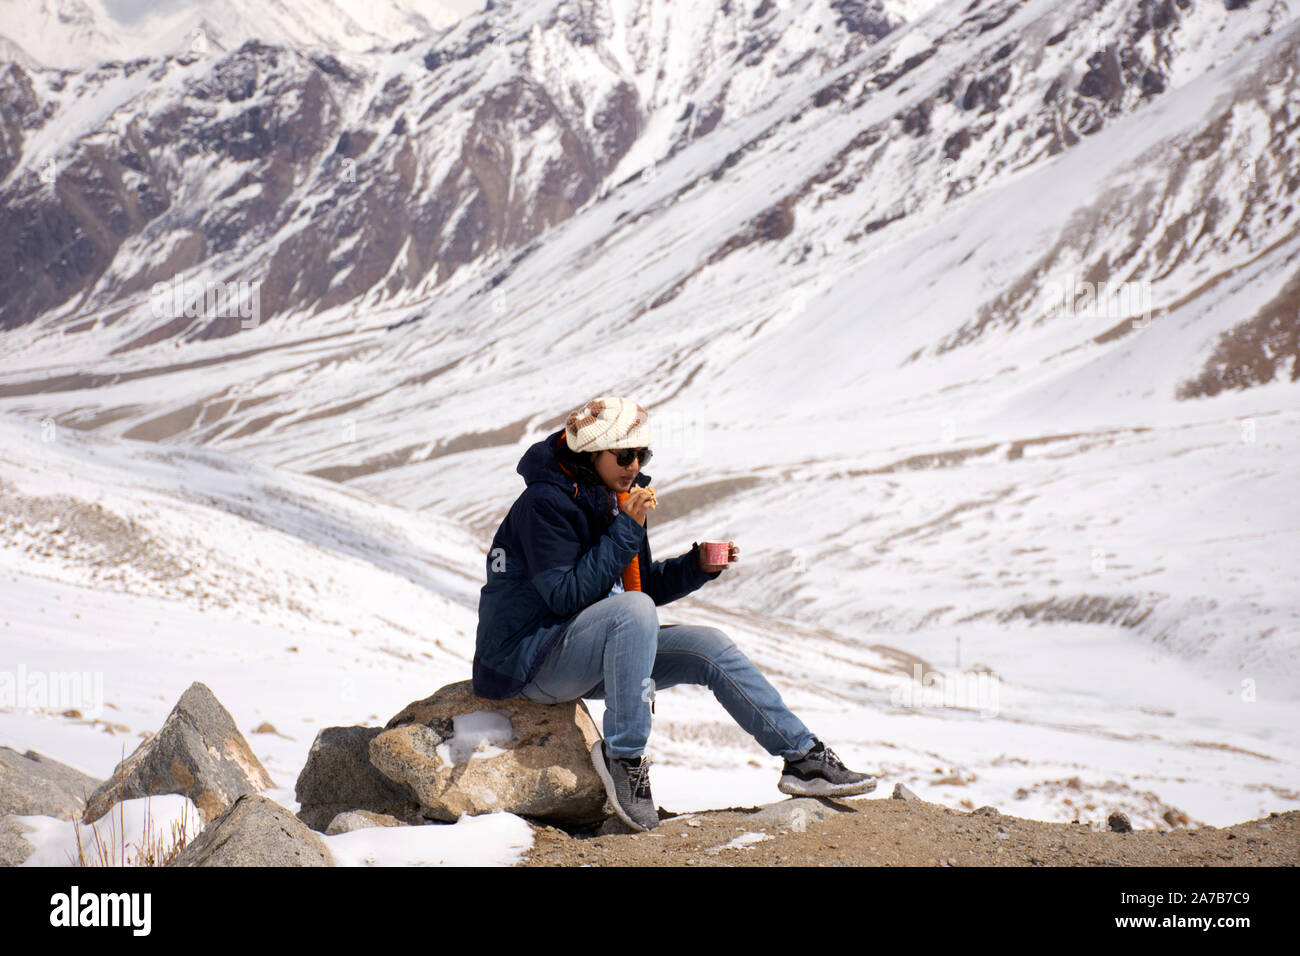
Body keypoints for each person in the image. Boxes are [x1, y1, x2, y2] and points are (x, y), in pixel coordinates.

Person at [473, 395, 876, 832]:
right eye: (624, 454)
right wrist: (626, 528)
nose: (634, 464)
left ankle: (802, 759)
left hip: (585, 649)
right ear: (592, 453)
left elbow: (638, 586)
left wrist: (695, 566)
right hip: (532, 663)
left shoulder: (617, 498)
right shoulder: (544, 504)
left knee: (709, 645)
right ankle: (624, 760)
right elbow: (567, 596)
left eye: (641, 454)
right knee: (634, 611)